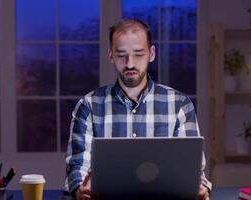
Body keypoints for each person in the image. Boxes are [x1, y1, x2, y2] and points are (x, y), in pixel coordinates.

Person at [65, 19, 211, 200]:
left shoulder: (180, 104)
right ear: (110, 55)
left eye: (138, 54)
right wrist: (80, 189)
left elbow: (192, 169)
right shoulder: (88, 105)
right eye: (121, 55)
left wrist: (200, 187)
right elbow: (77, 165)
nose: (129, 64)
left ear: (151, 53)